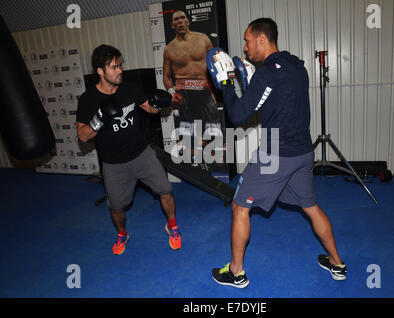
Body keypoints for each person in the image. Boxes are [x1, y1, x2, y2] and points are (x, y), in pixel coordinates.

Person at [210, 18, 346, 288]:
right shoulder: (297, 67)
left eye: (248, 41)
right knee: (311, 207)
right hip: (303, 152)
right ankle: (337, 262)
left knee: (239, 207)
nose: (245, 48)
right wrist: (249, 81)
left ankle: (236, 272)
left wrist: (225, 83)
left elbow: (238, 115)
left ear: (262, 39)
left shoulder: (267, 74)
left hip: (276, 154)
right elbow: (272, 100)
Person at [76, 44, 181, 255]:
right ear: (100, 71)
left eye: (119, 65)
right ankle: (122, 233)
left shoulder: (130, 88)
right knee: (116, 206)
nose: (120, 70)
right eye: (114, 67)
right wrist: (99, 119)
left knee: (166, 189)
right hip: (114, 163)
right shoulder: (87, 100)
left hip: (142, 153)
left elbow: (149, 108)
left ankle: (173, 226)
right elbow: (83, 136)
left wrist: (161, 103)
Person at [163, 10, 225, 165]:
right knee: (189, 137)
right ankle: (195, 168)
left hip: (204, 91)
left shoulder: (203, 39)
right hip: (184, 94)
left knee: (213, 132)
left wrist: (218, 86)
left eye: (182, 18)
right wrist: (171, 92)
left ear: (188, 21)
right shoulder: (169, 49)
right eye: (176, 19)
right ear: (172, 25)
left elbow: (215, 63)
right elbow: (166, 76)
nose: (180, 21)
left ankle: (218, 169)